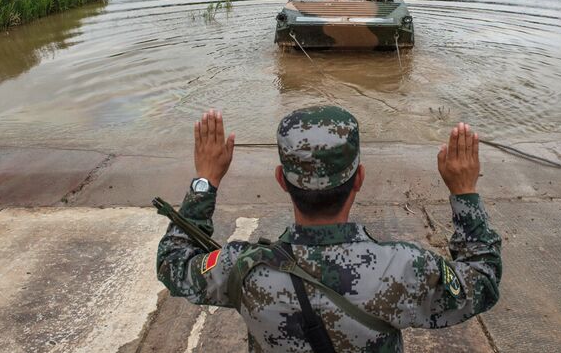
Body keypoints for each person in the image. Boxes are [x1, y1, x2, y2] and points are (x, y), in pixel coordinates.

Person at [157, 106, 502, 352]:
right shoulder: (402, 269)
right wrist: (464, 192)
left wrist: (206, 181)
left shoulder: (244, 268)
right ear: (360, 179)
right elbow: (483, 280)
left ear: (281, 181)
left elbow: (173, 262)